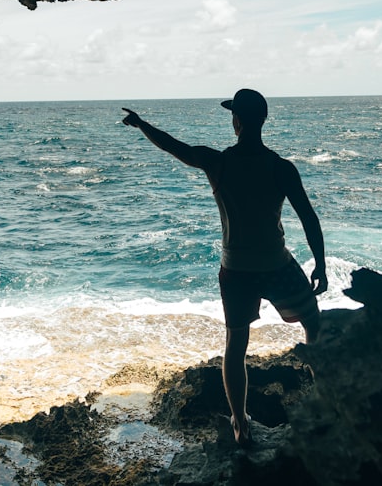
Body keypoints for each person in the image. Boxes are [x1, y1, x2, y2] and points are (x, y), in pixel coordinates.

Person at [122, 88, 327, 447]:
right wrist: (321, 265)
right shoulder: (281, 168)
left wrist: (141, 124)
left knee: (236, 343)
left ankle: (239, 422)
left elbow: (174, 146)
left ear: (236, 121)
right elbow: (309, 218)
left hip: (235, 270)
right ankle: (324, 399)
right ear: (262, 120)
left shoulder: (218, 163)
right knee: (313, 323)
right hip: (276, 263)